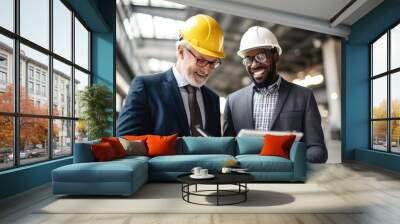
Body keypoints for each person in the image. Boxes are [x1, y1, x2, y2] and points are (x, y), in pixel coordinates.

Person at [223, 26, 328, 163]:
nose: (254, 65)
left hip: (286, 181)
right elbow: (227, 151)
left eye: (260, 56)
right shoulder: (233, 101)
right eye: (248, 59)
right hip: (247, 179)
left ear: (275, 56)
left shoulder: (303, 97)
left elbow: (318, 150)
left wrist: (289, 163)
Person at [117, 14, 224, 137]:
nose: (206, 70)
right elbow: (125, 140)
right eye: (201, 60)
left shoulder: (213, 99)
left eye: (213, 63)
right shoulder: (146, 88)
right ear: (181, 51)